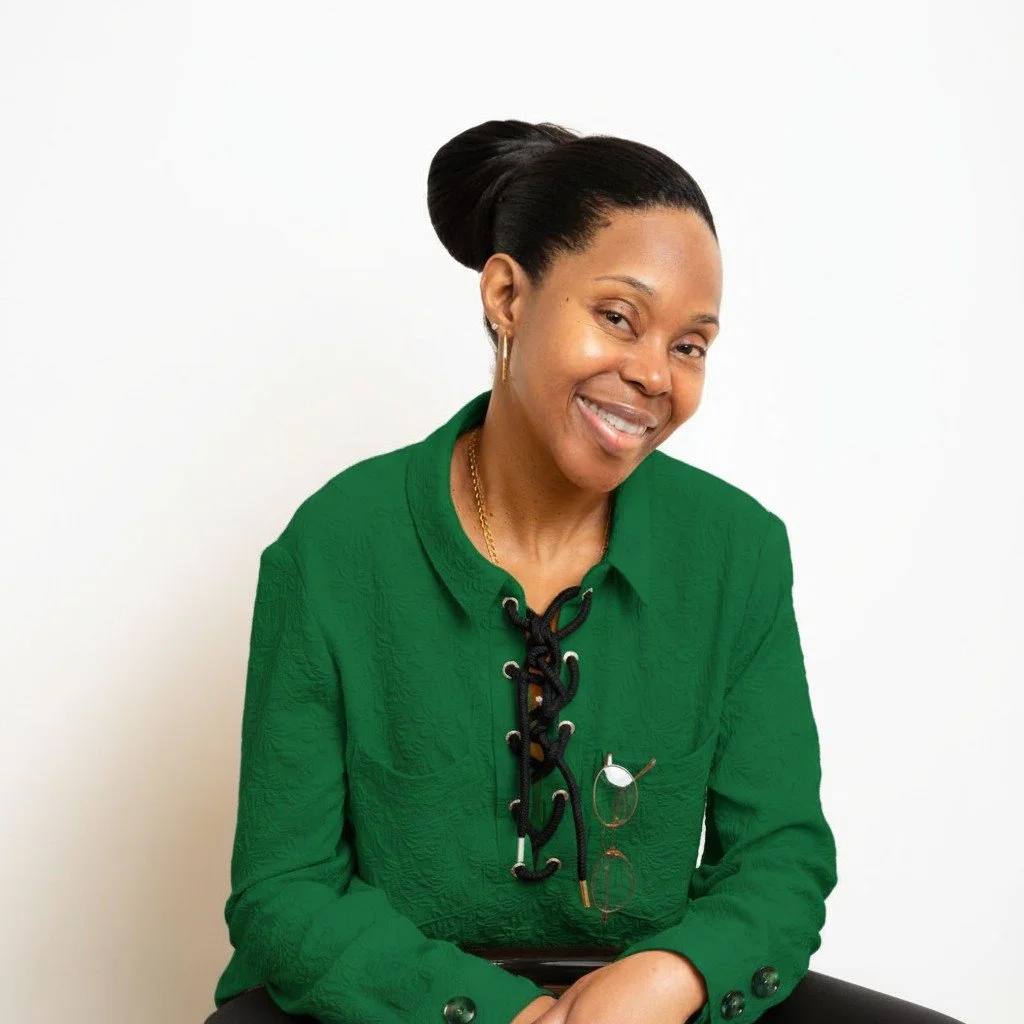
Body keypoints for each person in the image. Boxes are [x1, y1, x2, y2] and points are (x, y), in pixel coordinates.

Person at [204, 120, 965, 1024]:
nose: (654, 374)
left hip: (643, 997)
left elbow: (779, 856)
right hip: (397, 1002)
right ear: (507, 297)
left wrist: (667, 978)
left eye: (690, 345)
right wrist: (510, 1016)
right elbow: (284, 892)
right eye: (618, 317)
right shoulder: (334, 546)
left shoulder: (736, 549)